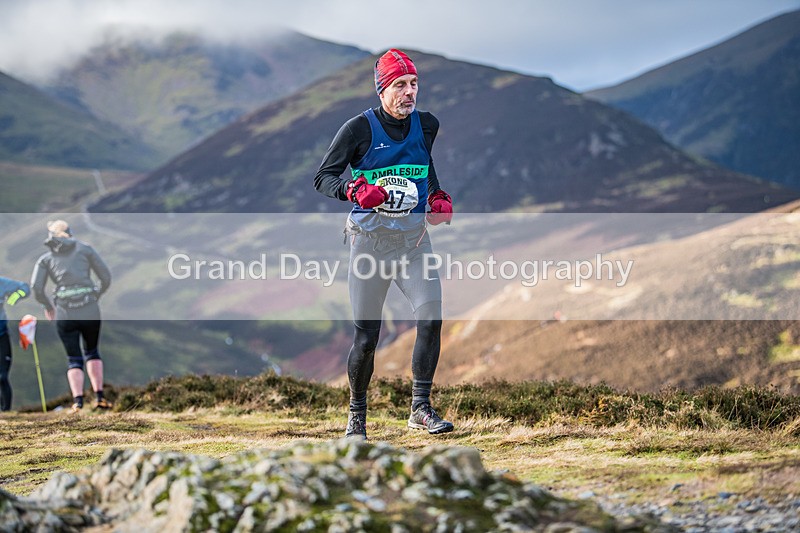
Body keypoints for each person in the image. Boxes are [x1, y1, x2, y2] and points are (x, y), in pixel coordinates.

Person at [315, 49, 455, 438]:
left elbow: (424, 166)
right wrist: (355, 190)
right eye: (400, 85)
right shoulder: (358, 130)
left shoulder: (427, 125)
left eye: (414, 84)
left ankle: (420, 409)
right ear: (382, 89)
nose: (409, 93)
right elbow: (323, 177)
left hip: (413, 243)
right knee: (367, 336)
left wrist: (437, 196)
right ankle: (356, 417)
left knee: (430, 320)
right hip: (369, 244)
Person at [31, 220, 113, 412]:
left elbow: (36, 288)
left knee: (73, 358)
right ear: (69, 232)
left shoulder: (45, 259)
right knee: (92, 351)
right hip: (89, 308)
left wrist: (47, 306)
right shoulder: (86, 250)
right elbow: (106, 277)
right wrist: (96, 295)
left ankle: (78, 402)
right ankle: (99, 397)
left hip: (64, 311)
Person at [0, 276, 30, 411]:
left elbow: (24, 288)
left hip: (2, 336)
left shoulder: (2, 283)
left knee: (3, 376)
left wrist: (14, 297)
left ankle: (6, 412)